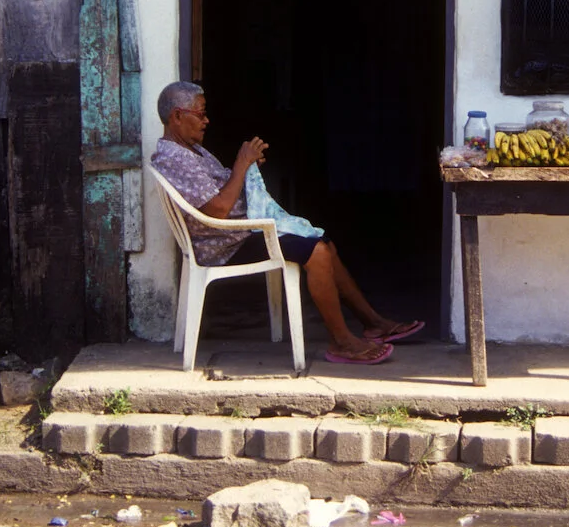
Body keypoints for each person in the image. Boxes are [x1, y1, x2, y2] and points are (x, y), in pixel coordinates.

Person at [150, 80, 424, 365]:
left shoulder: (192, 149)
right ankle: (342, 342)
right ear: (177, 116)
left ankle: (373, 323)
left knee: (323, 242)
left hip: (237, 234)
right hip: (225, 244)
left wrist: (247, 169)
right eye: (201, 113)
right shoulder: (174, 157)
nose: (206, 120)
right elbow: (218, 210)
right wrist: (241, 165)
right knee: (316, 251)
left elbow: (219, 192)